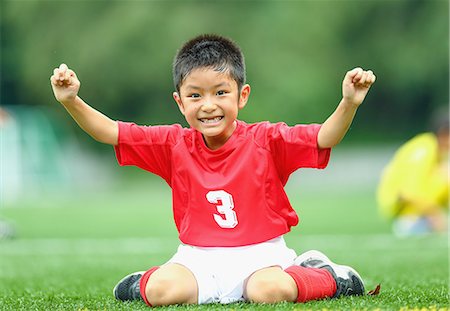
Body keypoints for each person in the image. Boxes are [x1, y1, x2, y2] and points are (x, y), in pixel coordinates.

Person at [50, 34, 376, 306]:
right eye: (195, 95)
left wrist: (349, 102)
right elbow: (111, 132)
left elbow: (324, 137)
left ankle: (328, 275)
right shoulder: (173, 144)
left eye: (220, 93)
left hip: (262, 257)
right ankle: (143, 282)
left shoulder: (266, 139)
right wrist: (70, 100)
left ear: (242, 96)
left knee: (268, 292)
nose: (208, 105)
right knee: (162, 291)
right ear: (180, 102)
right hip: (198, 258)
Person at [377, 112, 448, 237]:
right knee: (446, 173)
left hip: (408, 207)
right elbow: (408, 192)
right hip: (403, 210)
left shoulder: (433, 150)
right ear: (443, 133)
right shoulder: (424, 149)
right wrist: (435, 214)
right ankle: (413, 222)